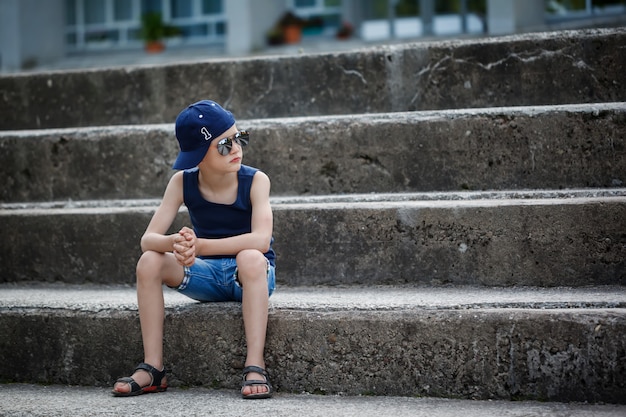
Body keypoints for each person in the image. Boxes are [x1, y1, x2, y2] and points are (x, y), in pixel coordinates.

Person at [111, 99, 276, 400]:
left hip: (251, 278)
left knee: (251, 257)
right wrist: (178, 243)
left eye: (240, 138)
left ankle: (255, 363)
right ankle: (153, 368)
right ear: (198, 156)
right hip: (207, 275)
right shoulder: (181, 183)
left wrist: (201, 246)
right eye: (224, 145)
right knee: (149, 261)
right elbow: (148, 240)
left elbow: (261, 240)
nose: (236, 149)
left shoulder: (255, 181)